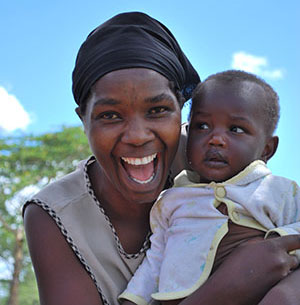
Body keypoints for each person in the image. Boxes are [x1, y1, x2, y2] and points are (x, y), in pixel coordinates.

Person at [22, 12, 300, 305]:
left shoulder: (212, 158)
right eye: (110, 115)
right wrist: (225, 289)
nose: (138, 136)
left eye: (157, 110)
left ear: (181, 107)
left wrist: (286, 291)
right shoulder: (55, 215)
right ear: (84, 119)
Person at [119, 70, 300, 305]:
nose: (215, 139)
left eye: (235, 129)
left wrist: (278, 239)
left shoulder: (279, 190)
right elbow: (155, 260)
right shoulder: (173, 199)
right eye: (202, 126)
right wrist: (133, 300)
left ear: (267, 149)